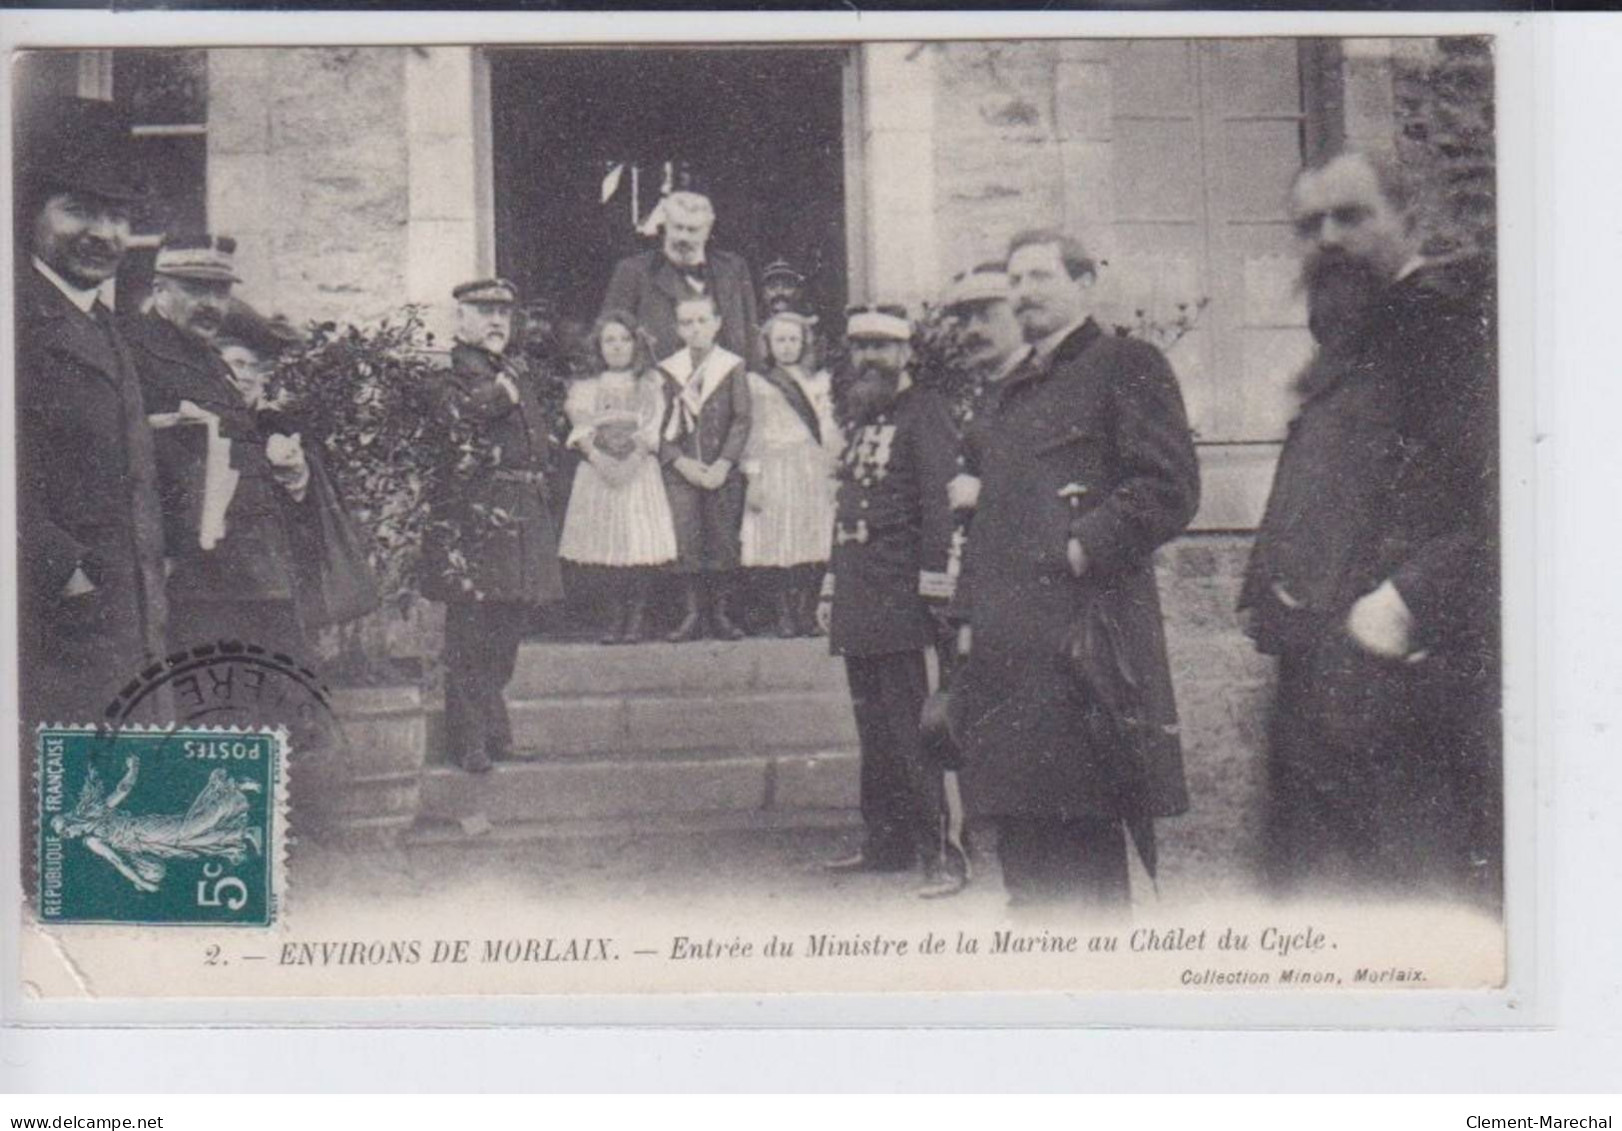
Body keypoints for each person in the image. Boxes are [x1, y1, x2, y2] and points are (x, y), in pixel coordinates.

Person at [1239, 150, 1500, 906]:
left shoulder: (1450, 326)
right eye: (1309, 224)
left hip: (1414, 689)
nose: (1326, 238)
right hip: (1322, 687)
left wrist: (1409, 599)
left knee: (1404, 916)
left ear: (1409, 219)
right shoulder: (1351, 342)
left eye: (1350, 216)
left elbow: (1512, 489)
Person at [948, 230, 1200, 914]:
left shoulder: (1126, 364)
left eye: (1041, 276)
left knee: (1082, 865)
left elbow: (1168, 487)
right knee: (1025, 865)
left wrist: (1081, 547)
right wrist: (968, 622)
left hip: (1081, 654)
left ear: (1085, 283)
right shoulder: (1009, 395)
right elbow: (986, 529)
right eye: (1017, 280)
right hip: (1008, 663)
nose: (1024, 292)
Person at [15, 96, 168, 730]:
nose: (104, 235)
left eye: (118, 217)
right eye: (79, 211)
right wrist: (65, 572)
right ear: (30, 213)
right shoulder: (17, 318)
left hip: (124, 619)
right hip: (48, 624)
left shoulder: (101, 322)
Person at [815, 304, 961, 891]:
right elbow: (849, 507)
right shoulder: (861, 416)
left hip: (904, 599)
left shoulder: (926, 413)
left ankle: (945, 854)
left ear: (907, 355)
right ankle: (886, 843)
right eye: (859, 347)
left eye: (881, 347)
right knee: (874, 731)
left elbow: (940, 506)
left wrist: (936, 591)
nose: (868, 358)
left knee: (915, 729)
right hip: (860, 597)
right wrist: (831, 583)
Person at [124, 234, 316, 661]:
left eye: (220, 290)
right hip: (196, 583)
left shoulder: (210, 360)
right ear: (159, 290)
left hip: (252, 576)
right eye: (195, 289)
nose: (211, 303)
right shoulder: (134, 353)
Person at [423, 279, 566, 773]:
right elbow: (455, 420)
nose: (496, 322)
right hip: (479, 517)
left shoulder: (511, 371)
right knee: (471, 631)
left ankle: (494, 731)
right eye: (483, 312)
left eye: (503, 313)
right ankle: (467, 741)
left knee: (506, 631)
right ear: (459, 320)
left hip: (522, 509)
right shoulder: (453, 376)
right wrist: (501, 393)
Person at [557, 311, 678, 644]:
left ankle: (636, 618)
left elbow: (654, 424)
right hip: (598, 470)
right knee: (606, 545)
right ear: (598, 346)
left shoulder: (650, 382)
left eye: (625, 339)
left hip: (638, 471)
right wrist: (598, 457)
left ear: (636, 344)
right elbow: (580, 427)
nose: (617, 347)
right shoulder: (585, 386)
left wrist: (635, 457)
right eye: (610, 340)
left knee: (636, 545)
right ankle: (613, 618)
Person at [656, 293, 753, 642]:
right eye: (686, 323)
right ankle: (691, 613)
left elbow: (742, 419)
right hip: (682, 471)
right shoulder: (668, 369)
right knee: (687, 538)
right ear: (677, 328)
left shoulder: (731, 366)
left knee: (722, 537)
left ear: (717, 324)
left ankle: (721, 613)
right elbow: (657, 422)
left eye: (702, 321)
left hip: (721, 470)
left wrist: (724, 463)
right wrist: (680, 462)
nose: (695, 329)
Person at [740, 312, 841, 637]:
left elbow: (829, 426)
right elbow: (752, 433)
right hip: (775, 466)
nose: (786, 347)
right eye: (779, 340)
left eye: (793, 339)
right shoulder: (758, 382)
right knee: (778, 540)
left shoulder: (820, 380)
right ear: (768, 344)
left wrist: (834, 467)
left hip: (811, 466)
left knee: (812, 539)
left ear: (804, 342)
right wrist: (753, 478)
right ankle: (784, 614)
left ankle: (809, 612)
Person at [601, 189, 760, 362]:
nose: (683, 237)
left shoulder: (733, 269)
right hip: (656, 382)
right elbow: (608, 333)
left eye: (692, 230)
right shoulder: (633, 271)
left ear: (707, 231)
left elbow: (751, 335)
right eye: (678, 227)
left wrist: (752, 377)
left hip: (726, 382)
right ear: (666, 225)